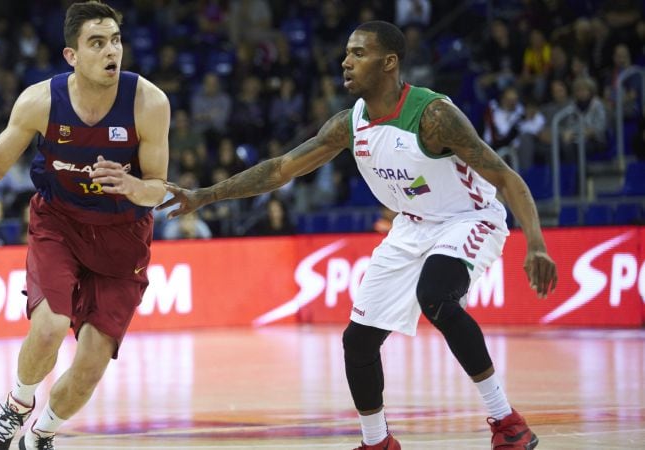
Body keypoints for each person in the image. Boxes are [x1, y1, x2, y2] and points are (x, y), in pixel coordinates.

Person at [159, 21, 556, 450]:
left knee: (436, 297)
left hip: (468, 218)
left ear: (389, 63)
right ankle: (377, 442)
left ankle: (507, 422)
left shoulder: (434, 116)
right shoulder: (349, 124)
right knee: (358, 340)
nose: (345, 62)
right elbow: (279, 169)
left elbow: (506, 176)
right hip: (411, 224)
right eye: (346, 53)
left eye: (358, 53)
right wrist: (204, 196)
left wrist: (535, 242)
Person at [0, 2, 169, 449]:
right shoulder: (40, 101)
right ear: (72, 55)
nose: (112, 52)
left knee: (90, 365)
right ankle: (15, 408)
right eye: (97, 42)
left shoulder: (149, 102)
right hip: (59, 223)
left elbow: (158, 187)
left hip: (122, 236)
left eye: (116, 41)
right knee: (49, 325)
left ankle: (41, 434)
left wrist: (131, 184)